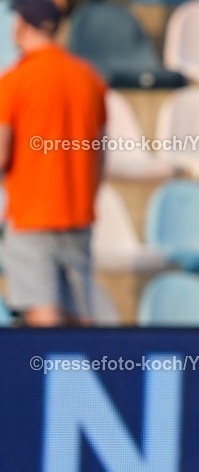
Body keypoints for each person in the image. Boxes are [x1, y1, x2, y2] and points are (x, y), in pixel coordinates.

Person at [0, 0, 106, 327]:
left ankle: (57, 379)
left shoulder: (16, 81)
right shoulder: (88, 78)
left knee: (43, 315)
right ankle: (83, 374)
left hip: (32, 214)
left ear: (22, 26)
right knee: (78, 314)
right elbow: (101, 153)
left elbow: (2, 154)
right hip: (78, 213)